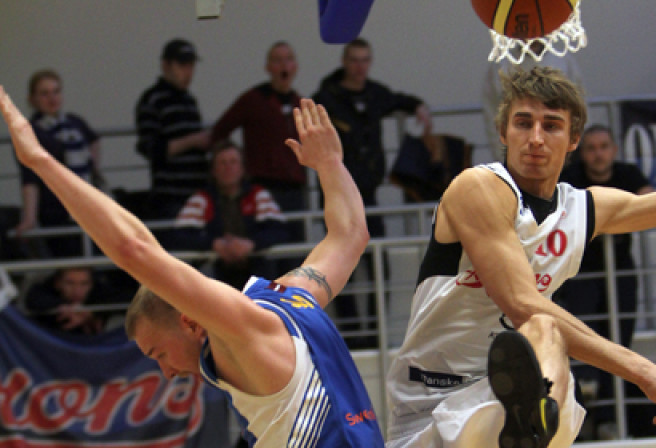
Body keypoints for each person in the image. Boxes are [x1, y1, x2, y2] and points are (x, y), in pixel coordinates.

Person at [386, 65, 656, 448]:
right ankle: (532, 418)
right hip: (433, 398)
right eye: (523, 123)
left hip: (502, 400)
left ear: (574, 140)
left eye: (551, 126)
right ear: (503, 132)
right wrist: (646, 371)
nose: (535, 138)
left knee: (547, 337)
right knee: (541, 320)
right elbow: (520, 303)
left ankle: (534, 419)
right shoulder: (478, 186)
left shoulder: (582, 209)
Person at [0, 90, 383, 447]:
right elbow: (350, 234)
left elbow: (134, 249)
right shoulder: (292, 297)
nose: (165, 372)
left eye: (159, 353)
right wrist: (330, 164)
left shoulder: (244, 334)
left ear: (191, 321)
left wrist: (40, 161)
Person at [313, 37, 432, 348]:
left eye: (365, 60)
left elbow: (402, 100)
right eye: (354, 60)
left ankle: (375, 332)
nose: (359, 66)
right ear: (344, 62)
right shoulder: (327, 97)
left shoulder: (376, 94)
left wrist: (419, 107)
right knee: (341, 268)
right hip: (337, 195)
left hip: (369, 195)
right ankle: (353, 337)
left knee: (380, 266)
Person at [556, 124, 653, 437]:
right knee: (582, 343)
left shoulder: (628, 173)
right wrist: (618, 215)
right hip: (579, 273)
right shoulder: (570, 177)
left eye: (603, 147)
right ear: (582, 153)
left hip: (621, 269)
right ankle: (580, 422)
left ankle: (611, 419)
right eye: (591, 148)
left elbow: (650, 202)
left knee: (618, 343)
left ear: (614, 150)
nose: (598, 154)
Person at [211, 42, 307, 249]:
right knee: (267, 249)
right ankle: (269, 284)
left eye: (288, 59)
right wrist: (235, 163)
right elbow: (220, 130)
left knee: (296, 251)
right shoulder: (253, 100)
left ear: (295, 66)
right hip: (263, 188)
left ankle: (294, 284)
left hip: (295, 190)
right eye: (277, 60)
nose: (284, 65)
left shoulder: (299, 103)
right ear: (268, 67)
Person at [172, 139, 289, 289]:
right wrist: (214, 244)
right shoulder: (201, 199)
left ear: (242, 168)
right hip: (214, 271)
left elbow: (280, 231)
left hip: (256, 267)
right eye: (222, 163)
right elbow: (179, 236)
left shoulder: (258, 195)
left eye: (233, 162)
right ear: (213, 170)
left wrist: (251, 245)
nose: (228, 168)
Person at [14, 69, 101, 258]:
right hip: (56, 208)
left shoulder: (74, 122)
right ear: (32, 99)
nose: (52, 98)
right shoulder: (29, 132)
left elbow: (94, 141)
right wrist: (29, 217)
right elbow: (30, 179)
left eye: (56, 91)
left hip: (88, 205)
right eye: (44, 93)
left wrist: (92, 169)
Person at [134, 38, 210, 221]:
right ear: (165, 65)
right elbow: (151, 149)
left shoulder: (189, 100)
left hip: (197, 193)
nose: (188, 72)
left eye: (191, 66)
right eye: (182, 65)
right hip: (171, 197)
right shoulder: (152, 99)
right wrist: (194, 140)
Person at [25, 267, 107, 335]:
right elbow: (34, 299)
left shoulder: (100, 295)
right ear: (57, 283)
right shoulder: (42, 293)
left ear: (92, 284)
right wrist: (62, 307)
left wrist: (91, 314)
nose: (77, 291)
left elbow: (115, 297)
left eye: (84, 283)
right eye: (70, 283)